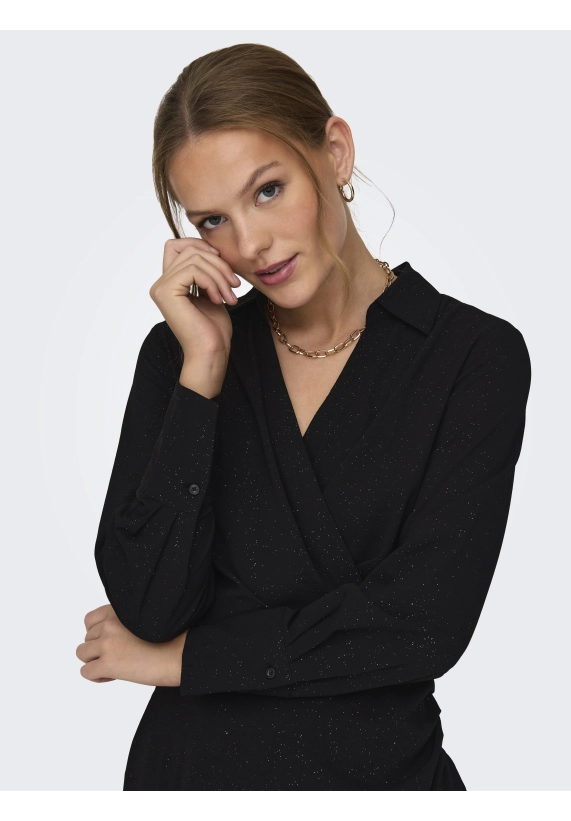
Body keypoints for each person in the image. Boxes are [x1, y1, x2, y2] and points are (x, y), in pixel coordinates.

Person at [77, 43, 532, 791]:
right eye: (213, 220)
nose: (249, 245)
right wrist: (203, 371)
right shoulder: (182, 353)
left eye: (267, 190)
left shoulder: (472, 356)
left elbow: (423, 626)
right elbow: (148, 604)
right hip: (187, 779)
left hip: (382, 779)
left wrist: (185, 660)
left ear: (335, 152)